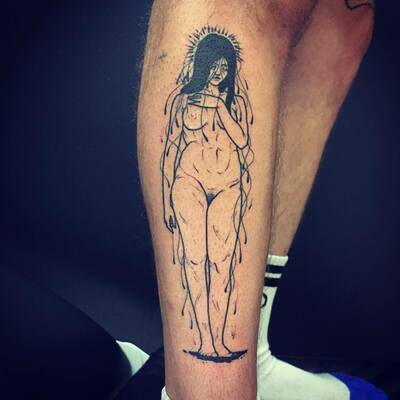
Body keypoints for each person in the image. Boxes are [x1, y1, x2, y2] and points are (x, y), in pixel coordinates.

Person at [137, 0, 387, 399]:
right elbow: (172, 151)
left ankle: (249, 355)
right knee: (197, 262)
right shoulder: (185, 100)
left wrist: (220, 108)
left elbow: (241, 142)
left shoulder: (229, 101)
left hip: (226, 184)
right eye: (213, 66)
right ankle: (205, 391)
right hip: (189, 182)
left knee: (345, 19)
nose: (219, 73)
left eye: (224, 68)